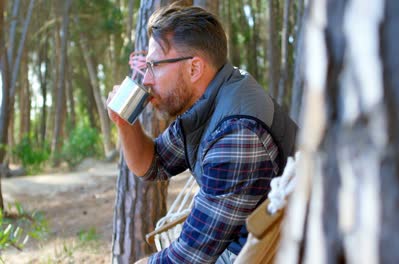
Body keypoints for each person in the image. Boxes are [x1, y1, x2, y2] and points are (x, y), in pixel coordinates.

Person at [107, 3, 297, 264]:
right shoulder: (207, 103)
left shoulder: (236, 134)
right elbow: (154, 164)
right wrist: (124, 123)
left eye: (154, 66)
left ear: (194, 68)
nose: (146, 80)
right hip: (245, 245)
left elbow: (189, 258)